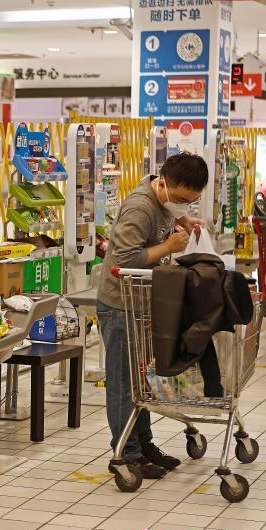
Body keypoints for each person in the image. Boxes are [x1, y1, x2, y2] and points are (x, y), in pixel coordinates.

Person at [97, 152, 208, 480]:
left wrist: (180, 220)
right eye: (182, 200)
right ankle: (126, 452)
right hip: (119, 304)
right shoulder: (140, 207)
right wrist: (170, 246)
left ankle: (143, 444)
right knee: (122, 382)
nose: (185, 205)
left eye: (192, 201)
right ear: (165, 185)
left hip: (140, 302)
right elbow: (126, 259)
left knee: (139, 380)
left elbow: (155, 231)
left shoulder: (164, 203)